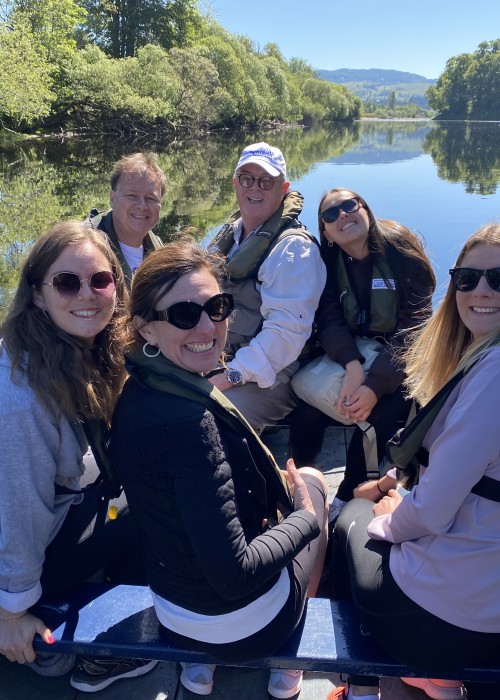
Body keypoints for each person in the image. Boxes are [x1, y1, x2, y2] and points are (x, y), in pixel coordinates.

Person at [110, 239, 329, 699]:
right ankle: (288, 666)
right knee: (311, 483)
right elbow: (234, 574)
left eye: (218, 306)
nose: (208, 326)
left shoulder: (137, 390)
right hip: (241, 628)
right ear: (146, 329)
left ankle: (199, 673)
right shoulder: (191, 423)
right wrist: (305, 519)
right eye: (185, 315)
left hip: (175, 612)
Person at [328, 223, 500, 700]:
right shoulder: (484, 361)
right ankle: (437, 684)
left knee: (350, 518)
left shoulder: (493, 377)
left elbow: (429, 512)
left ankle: (361, 686)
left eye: (498, 279)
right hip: (487, 591)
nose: (481, 291)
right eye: (467, 278)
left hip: (447, 620)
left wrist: (385, 516)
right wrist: (396, 486)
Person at [0, 222, 157, 692]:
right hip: (17, 547)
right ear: (36, 295)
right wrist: (13, 611)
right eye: (66, 282)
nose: (87, 294)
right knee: (154, 501)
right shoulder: (21, 399)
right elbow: (18, 507)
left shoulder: (73, 349)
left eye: (100, 280)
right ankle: (115, 649)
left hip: (55, 514)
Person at [290, 188, 436, 523]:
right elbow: (328, 317)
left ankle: (345, 496)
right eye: (330, 214)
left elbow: (414, 329)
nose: (342, 215)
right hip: (352, 354)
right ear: (325, 231)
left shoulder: (400, 248)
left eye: (348, 205)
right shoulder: (326, 262)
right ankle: (301, 484)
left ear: (365, 210)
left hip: (401, 359)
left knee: (378, 413)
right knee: (305, 415)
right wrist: (352, 366)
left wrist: (372, 385)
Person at [207, 142, 326, 434]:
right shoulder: (231, 233)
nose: (254, 188)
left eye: (266, 181)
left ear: (283, 188)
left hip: (274, 372)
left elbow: (285, 334)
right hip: (222, 355)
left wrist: (229, 375)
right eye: (247, 179)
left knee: (210, 423)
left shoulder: (294, 249)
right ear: (236, 183)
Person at [88, 152, 167, 287]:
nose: (142, 206)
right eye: (132, 195)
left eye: (151, 198)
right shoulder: (82, 246)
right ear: (113, 199)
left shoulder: (160, 251)